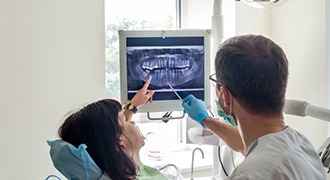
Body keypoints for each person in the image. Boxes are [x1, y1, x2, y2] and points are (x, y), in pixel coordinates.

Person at [182, 34, 327, 179]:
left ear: (225, 96)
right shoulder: (301, 145)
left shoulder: (250, 175)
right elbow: (247, 146)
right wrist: (205, 119)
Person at [50, 76, 171, 180]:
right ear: (119, 143)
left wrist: (132, 106)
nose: (132, 122)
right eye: (125, 120)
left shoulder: (123, 171)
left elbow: (116, 131)